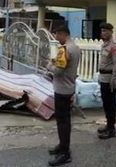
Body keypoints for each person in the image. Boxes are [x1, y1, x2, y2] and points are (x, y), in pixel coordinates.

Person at [46, 26, 81, 166]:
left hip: (62, 89)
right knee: (64, 120)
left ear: (62, 34)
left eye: (56, 35)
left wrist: (49, 65)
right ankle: (62, 145)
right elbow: (66, 65)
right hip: (69, 87)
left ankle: (65, 153)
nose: (56, 38)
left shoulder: (65, 49)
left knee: (63, 122)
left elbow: (58, 71)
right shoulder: (75, 47)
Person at [97, 22, 116, 139]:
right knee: (106, 104)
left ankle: (112, 129)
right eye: (102, 31)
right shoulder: (104, 45)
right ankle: (108, 125)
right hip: (103, 77)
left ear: (111, 32)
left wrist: (114, 79)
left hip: (109, 79)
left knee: (110, 104)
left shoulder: (115, 46)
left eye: (105, 31)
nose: (103, 33)